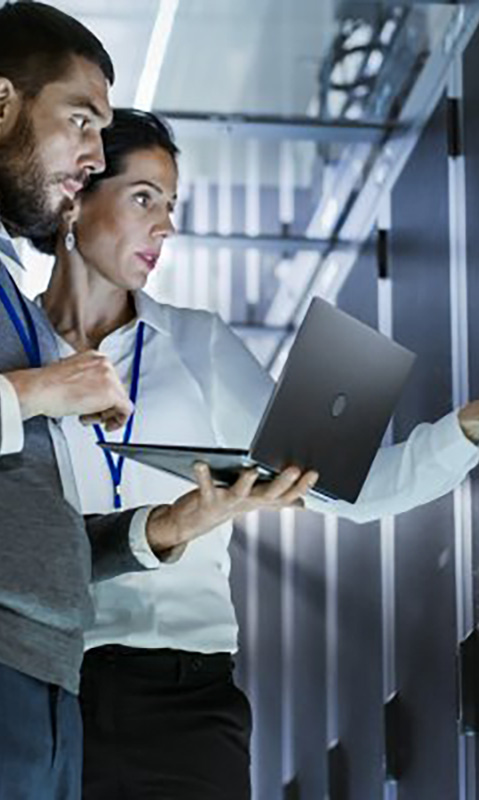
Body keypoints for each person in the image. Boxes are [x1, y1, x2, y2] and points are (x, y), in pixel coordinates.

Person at [35, 107, 479, 799]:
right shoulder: (17, 355)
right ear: (78, 197)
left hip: (184, 697)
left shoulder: (199, 344)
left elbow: (350, 489)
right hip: (49, 686)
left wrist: (472, 423)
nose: (166, 226)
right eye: (144, 198)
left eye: (173, 205)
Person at [0, 5, 315, 798]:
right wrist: (43, 389)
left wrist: (165, 528)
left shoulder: (10, 293)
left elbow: (35, 525)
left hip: (48, 675)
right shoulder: (35, 342)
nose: (87, 155)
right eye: (79, 121)